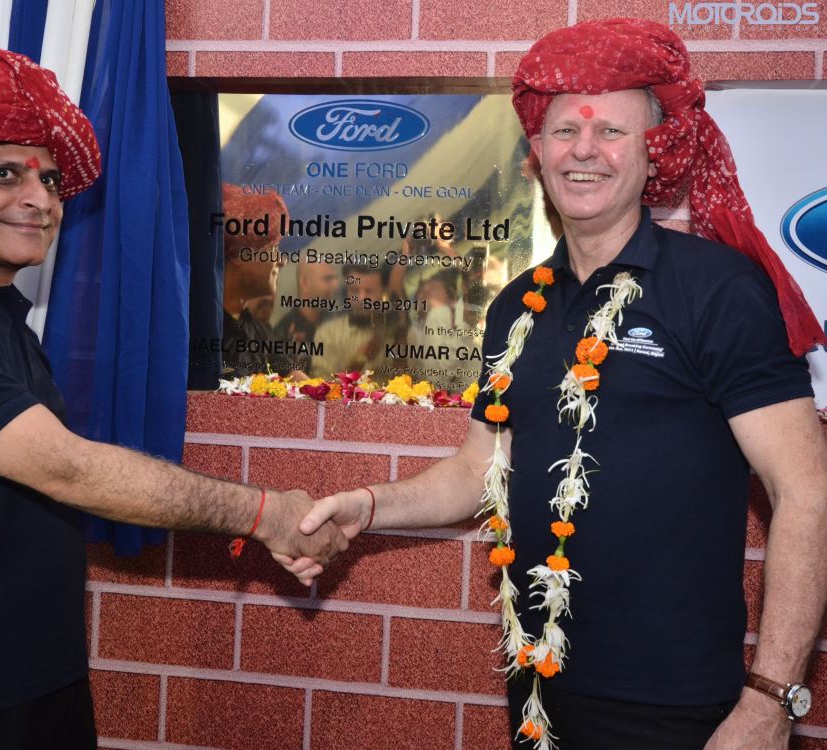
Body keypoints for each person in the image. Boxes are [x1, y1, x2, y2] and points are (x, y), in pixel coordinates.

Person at [282, 17, 827, 750]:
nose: (585, 152)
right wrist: (366, 508)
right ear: (536, 152)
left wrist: (768, 699)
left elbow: (809, 491)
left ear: (651, 150)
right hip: (540, 688)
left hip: (679, 709)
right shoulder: (518, 304)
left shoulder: (717, 288)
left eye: (611, 134)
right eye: (565, 131)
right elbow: (479, 470)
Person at [0, 31, 346, 750]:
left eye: (48, 179)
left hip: (42, 691)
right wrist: (264, 512)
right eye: (4, 174)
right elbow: (67, 468)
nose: (39, 199)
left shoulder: (1, 320)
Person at [219, 183, 297, 378]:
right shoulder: (204, 329)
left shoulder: (258, 331)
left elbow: (298, 381)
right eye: (273, 249)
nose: (282, 261)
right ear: (239, 256)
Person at [309, 263, 391, 378]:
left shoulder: (401, 333)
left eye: (369, 291)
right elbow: (320, 388)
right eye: (355, 291)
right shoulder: (328, 334)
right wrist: (357, 363)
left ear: (384, 294)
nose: (361, 298)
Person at [273, 258, 340, 373]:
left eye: (335, 278)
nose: (336, 285)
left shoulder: (334, 322)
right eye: (327, 279)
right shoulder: (285, 334)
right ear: (305, 284)